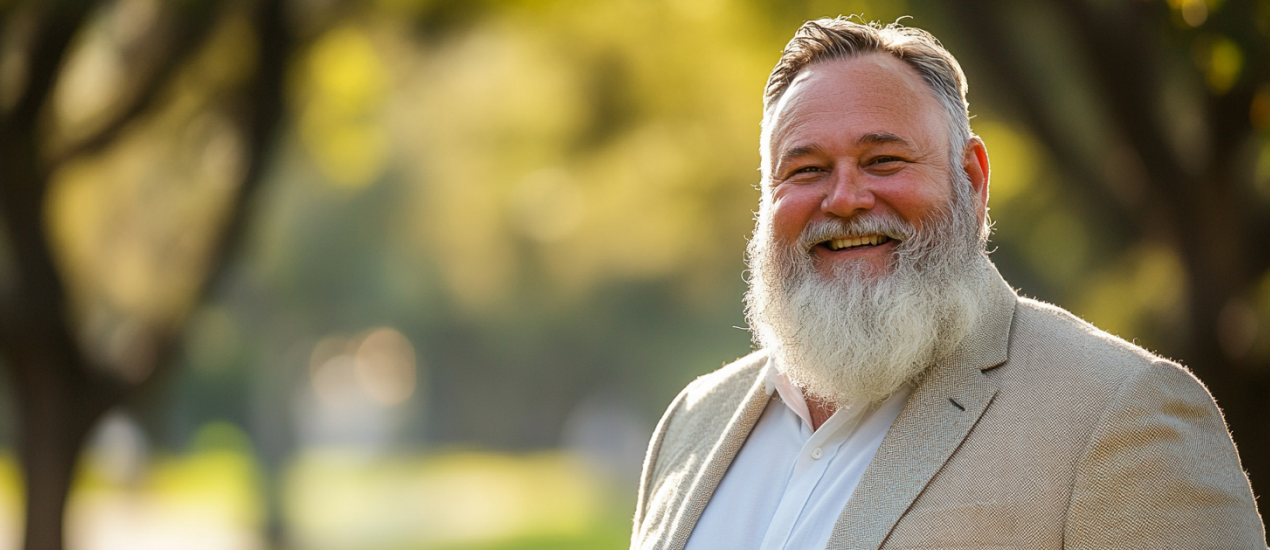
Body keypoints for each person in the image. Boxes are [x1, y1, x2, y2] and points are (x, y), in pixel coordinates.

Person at [629, 17, 1267, 550]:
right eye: (806, 169)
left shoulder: (1122, 413)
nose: (845, 198)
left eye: (884, 160)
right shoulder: (693, 423)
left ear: (973, 178)